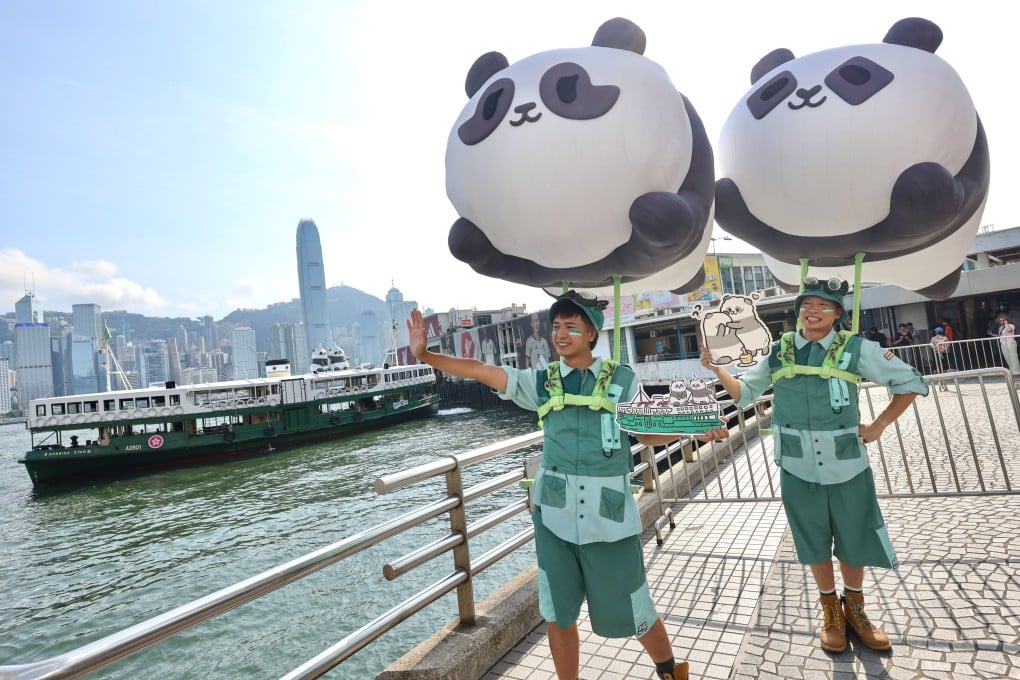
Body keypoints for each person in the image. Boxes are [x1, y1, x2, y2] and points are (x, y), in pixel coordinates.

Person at [408, 293, 729, 680]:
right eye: (556, 326)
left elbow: (645, 434)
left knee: (633, 604)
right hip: (554, 516)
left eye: (571, 325)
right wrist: (426, 355)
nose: (561, 333)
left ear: (591, 332)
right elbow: (480, 370)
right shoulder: (543, 381)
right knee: (558, 611)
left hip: (608, 516)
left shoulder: (622, 378)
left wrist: (696, 431)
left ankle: (669, 670)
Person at [700, 276, 928, 654]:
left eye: (823, 306)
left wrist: (879, 425)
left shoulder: (856, 349)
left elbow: (910, 381)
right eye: (806, 305)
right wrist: (716, 370)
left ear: (837, 313)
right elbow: (744, 394)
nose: (813, 311)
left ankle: (855, 609)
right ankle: (830, 612)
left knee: (855, 537)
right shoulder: (780, 350)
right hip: (797, 465)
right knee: (813, 541)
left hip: (848, 467)